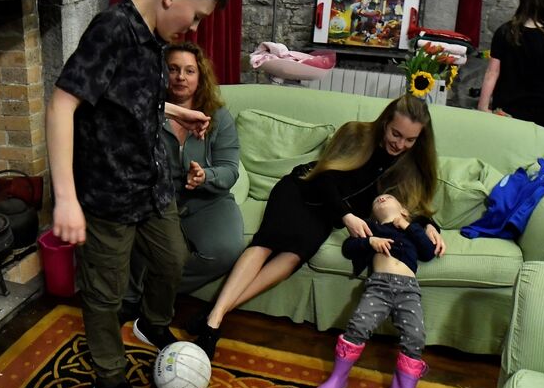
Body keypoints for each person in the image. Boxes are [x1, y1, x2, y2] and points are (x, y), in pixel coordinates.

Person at [46, 0, 229, 388]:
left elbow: (124, 99)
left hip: (153, 187)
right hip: (107, 198)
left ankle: (151, 321)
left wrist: (173, 112)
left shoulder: (155, 39)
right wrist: (66, 199)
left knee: (172, 258)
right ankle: (110, 378)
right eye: (197, 16)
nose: (194, 27)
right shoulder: (112, 29)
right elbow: (63, 104)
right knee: (104, 296)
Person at [188, 94, 446, 359]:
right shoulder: (356, 133)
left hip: (325, 217)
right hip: (301, 191)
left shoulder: (410, 162)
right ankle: (213, 325)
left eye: (410, 139)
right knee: (266, 244)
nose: (400, 144)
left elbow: (411, 202)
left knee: (291, 259)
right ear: (385, 122)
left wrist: (428, 225)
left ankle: (214, 314)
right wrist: (346, 215)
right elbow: (324, 178)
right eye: (396, 134)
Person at [123, 41, 245, 316]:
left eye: (189, 71)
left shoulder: (218, 116)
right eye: (173, 69)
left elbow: (230, 169)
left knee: (226, 250)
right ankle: (138, 299)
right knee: (147, 247)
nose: (180, 77)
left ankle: (150, 292)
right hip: (158, 202)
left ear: (200, 76)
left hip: (207, 200)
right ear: (162, 73)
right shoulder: (144, 111)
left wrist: (205, 176)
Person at [314, 193, 437, 388]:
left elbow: (428, 252)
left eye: (388, 197)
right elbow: (349, 247)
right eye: (376, 199)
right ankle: (337, 379)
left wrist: (408, 225)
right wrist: (370, 242)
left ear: (403, 210)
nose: (380, 199)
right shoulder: (371, 227)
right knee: (358, 326)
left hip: (409, 291)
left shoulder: (413, 228)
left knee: (416, 337)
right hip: (379, 286)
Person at [477, 0, 544, 130]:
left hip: (504, 113)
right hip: (536, 117)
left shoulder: (505, 31)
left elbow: (492, 72)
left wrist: (482, 106)